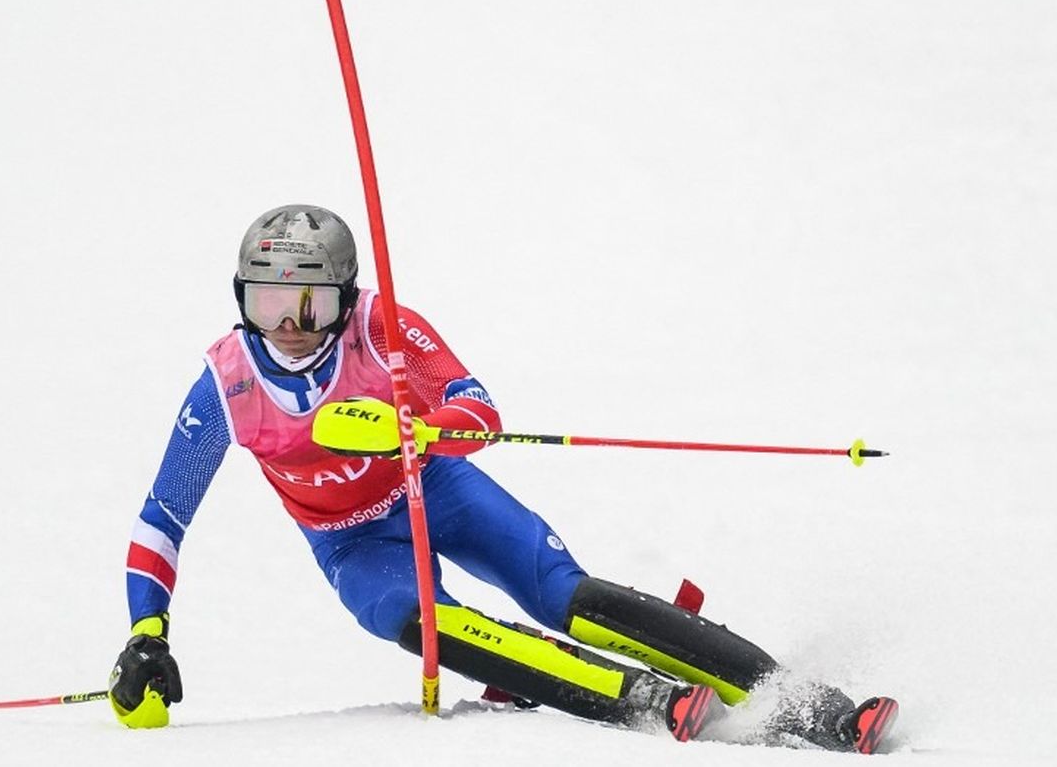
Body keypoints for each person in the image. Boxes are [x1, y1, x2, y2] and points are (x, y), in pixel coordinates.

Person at [106, 204, 896, 752]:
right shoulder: (226, 383)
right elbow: (163, 514)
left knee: (564, 593)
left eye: (308, 304)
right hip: (351, 541)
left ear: (342, 300)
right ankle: (642, 701)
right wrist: (147, 633)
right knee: (424, 621)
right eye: (267, 300)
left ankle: (813, 705)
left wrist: (425, 429)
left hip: (440, 487)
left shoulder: (383, 328)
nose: (286, 326)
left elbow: (477, 408)